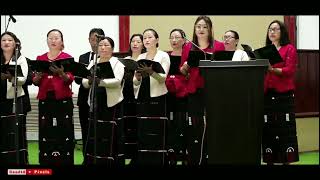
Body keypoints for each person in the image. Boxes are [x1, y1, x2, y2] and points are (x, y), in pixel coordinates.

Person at [180, 16, 225, 166]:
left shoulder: (218, 46)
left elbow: (224, 68)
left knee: (213, 126)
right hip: (194, 90)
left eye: (204, 27)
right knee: (195, 127)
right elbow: (183, 71)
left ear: (210, 29)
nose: (201, 29)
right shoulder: (188, 47)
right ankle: (195, 159)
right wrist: (185, 68)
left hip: (212, 90)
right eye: (198, 26)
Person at [32, 29, 75, 165]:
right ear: (47, 41)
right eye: (50, 38)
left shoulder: (67, 57)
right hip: (45, 99)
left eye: (56, 38)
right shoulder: (41, 58)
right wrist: (37, 77)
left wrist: (61, 74)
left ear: (62, 41)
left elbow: (70, 79)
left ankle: (65, 159)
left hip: (63, 99)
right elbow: (35, 81)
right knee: (46, 130)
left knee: (64, 130)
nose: (53, 40)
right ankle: (46, 160)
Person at [82, 36, 125, 165]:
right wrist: (90, 81)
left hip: (111, 102)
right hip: (95, 100)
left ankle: (110, 160)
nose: (103, 48)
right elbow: (85, 82)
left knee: (109, 134)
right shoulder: (94, 61)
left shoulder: (117, 62)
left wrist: (100, 82)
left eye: (106, 45)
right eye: (101, 45)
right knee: (95, 133)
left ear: (112, 48)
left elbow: (117, 81)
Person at [262, 20, 299, 165]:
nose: (272, 32)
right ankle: (270, 159)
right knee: (269, 128)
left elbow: (289, 70)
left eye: (276, 29)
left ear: (282, 32)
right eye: (270, 29)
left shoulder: (289, 48)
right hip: (267, 94)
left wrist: (273, 70)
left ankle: (286, 160)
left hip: (283, 95)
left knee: (284, 129)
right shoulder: (266, 49)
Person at [133, 28, 170, 165]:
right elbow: (135, 82)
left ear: (157, 40)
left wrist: (151, 72)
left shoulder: (163, 56)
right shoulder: (141, 57)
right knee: (143, 129)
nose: (147, 40)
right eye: (145, 38)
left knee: (156, 130)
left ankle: (158, 160)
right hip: (142, 95)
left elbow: (162, 78)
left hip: (158, 96)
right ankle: (144, 159)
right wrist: (136, 77)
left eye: (149, 37)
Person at [75, 28, 105, 165]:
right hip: (84, 99)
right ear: (89, 40)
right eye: (93, 39)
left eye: (98, 39)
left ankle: (100, 157)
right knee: (85, 129)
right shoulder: (83, 57)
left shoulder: (107, 57)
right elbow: (77, 79)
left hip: (101, 98)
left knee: (100, 130)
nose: (95, 42)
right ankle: (86, 158)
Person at [0, 31, 29, 165]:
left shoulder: (20, 59)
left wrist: (10, 77)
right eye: (4, 40)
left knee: (15, 132)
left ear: (15, 43)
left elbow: (23, 79)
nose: (6, 43)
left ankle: (18, 162)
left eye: (10, 40)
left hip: (15, 99)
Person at [165, 28, 188, 166]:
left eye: (177, 37)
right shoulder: (166, 56)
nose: (174, 40)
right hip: (169, 94)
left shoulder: (188, 56)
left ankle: (184, 152)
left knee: (183, 123)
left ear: (184, 40)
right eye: (171, 37)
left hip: (184, 94)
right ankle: (171, 153)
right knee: (171, 124)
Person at [122, 34, 146, 165]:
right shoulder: (125, 60)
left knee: (139, 128)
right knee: (127, 128)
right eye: (133, 41)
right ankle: (127, 155)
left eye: (138, 41)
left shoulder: (146, 59)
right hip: (126, 96)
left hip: (140, 97)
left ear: (143, 44)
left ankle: (138, 157)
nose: (135, 44)